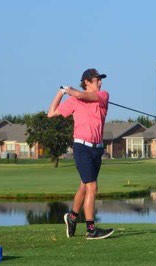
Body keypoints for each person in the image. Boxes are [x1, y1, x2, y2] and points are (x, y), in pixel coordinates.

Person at [47, 68, 114, 240]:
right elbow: (51, 113)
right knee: (92, 186)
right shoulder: (73, 101)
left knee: (85, 185)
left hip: (97, 148)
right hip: (81, 147)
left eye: (100, 80)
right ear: (86, 82)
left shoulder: (103, 96)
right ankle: (91, 229)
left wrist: (71, 91)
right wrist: (61, 92)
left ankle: (72, 217)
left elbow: (85, 96)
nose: (100, 82)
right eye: (96, 80)